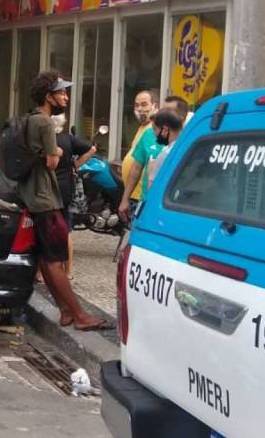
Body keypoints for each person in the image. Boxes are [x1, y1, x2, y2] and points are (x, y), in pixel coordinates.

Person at [17, 71, 110, 331]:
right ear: (49, 97)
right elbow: (52, 161)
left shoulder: (28, 120)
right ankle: (80, 315)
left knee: (46, 259)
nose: (65, 96)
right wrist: (57, 150)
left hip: (32, 196)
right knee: (56, 259)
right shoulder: (45, 123)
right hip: (47, 199)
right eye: (61, 92)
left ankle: (66, 311)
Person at [118, 109, 184, 222]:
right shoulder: (189, 146)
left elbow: (152, 188)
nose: (154, 133)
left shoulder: (165, 154)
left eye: (155, 129)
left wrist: (151, 172)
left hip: (156, 210)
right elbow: (136, 167)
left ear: (165, 130)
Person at [52, 113, 95, 280]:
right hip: (66, 188)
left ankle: (42, 271)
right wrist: (75, 165)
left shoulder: (46, 139)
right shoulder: (68, 138)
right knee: (66, 228)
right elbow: (91, 149)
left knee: (47, 227)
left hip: (48, 188)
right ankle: (68, 270)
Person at [120, 89, 159, 209]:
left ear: (155, 106)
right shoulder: (143, 127)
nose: (140, 109)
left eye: (144, 104)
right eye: (137, 105)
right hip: (134, 194)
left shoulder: (155, 130)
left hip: (142, 196)